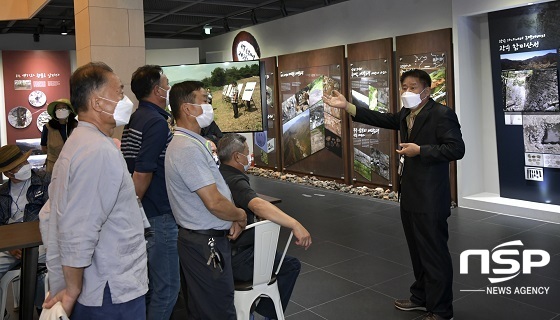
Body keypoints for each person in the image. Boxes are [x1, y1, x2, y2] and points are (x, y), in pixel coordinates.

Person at [323, 69, 464, 320]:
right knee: (417, 252)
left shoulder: (442, 114)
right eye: (404, 88)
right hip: (410, 195)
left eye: (412, 87)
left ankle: (441, 310)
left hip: (431, 198)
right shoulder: (406, 114)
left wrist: (421, 150)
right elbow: (383, 119)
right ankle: (421, 298)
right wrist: (348, 106)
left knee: (434, 254)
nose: (406, 92)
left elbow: (456, 148)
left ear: (426, 91)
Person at [42, 62, 148, 319]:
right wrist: (72, 289)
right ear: (98, 103)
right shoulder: (97, 151)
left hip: (104, 283)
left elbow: (51, 214)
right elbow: (79, 228)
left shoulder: (83, 142)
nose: (125, 100)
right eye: (119, 93)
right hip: (110, 288)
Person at [165, 80, 247, 320]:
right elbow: (213, 202)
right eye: (204, 100)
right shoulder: (186, 148)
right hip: (204, 244)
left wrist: (228, 218)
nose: (210, 105)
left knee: (208, 308)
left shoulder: (191, 143)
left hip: (205, 239)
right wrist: (240, 215)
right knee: (217, 311)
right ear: (188, 108)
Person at [217, 133, 312, 320]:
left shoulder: (220, 174)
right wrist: (295, 224)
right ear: (237, 157)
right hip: (240, 260)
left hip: (221, 254)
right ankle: (270, 314)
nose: (250, 156)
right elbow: (257, 204)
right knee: (291, 265)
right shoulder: (236, 180)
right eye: (247, 152)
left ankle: (251, 310)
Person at [120, 65, 179, 320]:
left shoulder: (138, 117)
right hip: (158, 214)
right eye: (166, 84)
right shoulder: (156, 121)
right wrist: (134, 210)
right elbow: (143, 172)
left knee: (150, 286)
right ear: (157, 90)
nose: (168, 88)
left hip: (146, 212)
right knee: (167, 289)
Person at [0, 145, 50, 312]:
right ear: (7, 173)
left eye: (24, 162)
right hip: (11, 246)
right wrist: (11, 247)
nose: (24, 166)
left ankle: (40, 310)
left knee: (36, 265)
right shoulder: (2, 193)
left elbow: (51, 216)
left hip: (39, 239)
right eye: (19, 166)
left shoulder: (44, 182)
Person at [40, 98, 78, 172]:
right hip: (54, 167)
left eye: (64, 108)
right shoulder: (48, 127)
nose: (61, 110)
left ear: (70, 110)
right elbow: (44, 148)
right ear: (54, 112)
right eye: (58, 108)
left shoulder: (77, 126)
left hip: (74, 166)